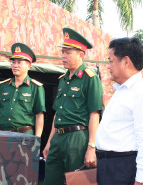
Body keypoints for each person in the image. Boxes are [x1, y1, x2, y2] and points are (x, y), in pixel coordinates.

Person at [95, 37, 143, 185]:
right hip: (108, 166)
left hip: (123, 166)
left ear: (125, 61)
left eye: (111, 61)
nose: (108, 66)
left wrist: (142, 180)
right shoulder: (121, 90)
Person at [43, 27, 103, 185]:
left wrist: (91, 147)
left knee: (77, 181)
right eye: (62, 52)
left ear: (81, 55)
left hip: (77, 138)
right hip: (58, 137)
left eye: (68, 52)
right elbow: (57, 114)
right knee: (51, 180)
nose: (63, 56)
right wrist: (50, 141)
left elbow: (94, 114)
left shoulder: (90, 78)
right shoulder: (63, 79)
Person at [0, 42, 45, 136]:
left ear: (29, 66)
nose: (15, 65)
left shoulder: (36, 87)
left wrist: (37, 139)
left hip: (24, 136)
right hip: (3, 135)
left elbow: (39, 115)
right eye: (13, 62)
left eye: (19, 62)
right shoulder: (4, 86)